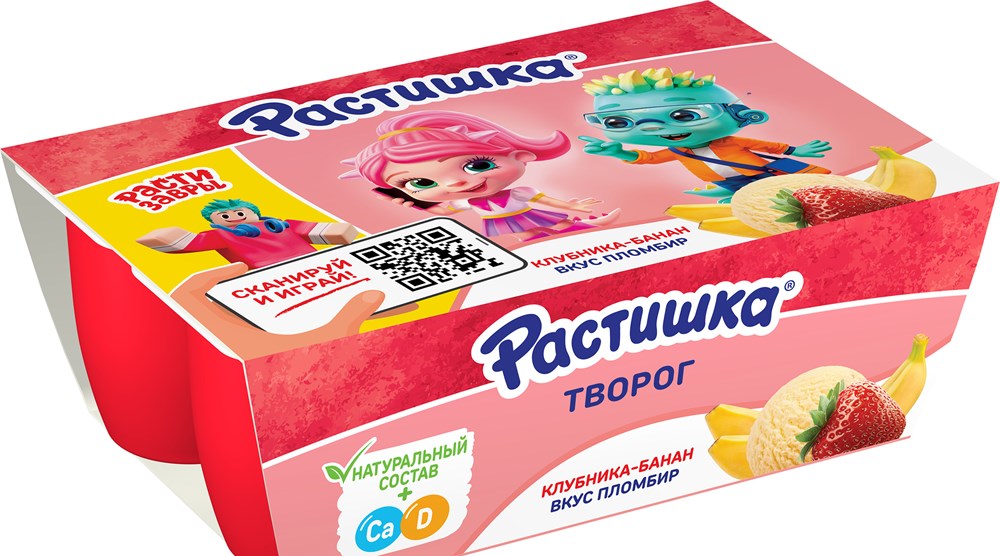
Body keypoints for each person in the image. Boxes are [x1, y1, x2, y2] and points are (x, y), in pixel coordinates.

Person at [340, 110, 620, 242]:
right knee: (529, 236)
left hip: (528, 213)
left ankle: (587, 227)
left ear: (520, 156)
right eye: (420, 183)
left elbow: (546, 201)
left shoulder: (518, 193)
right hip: (505, 224)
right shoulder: (468, 202)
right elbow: (444, 210)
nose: (455, 183)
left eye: (477, 165)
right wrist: (417, 205)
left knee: (559, 224)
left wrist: (573, 206)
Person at [580, 68, 832, 203]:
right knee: (743, 194)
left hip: (758, 172)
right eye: (617, 122)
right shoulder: (677, 150)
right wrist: (619, 153)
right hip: (726, 182)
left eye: (684, 115)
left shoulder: (728, 142)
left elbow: (766, 146)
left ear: (743, 115)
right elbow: (650, 158)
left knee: (781, 190)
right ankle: (739, 199)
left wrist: (796, 151)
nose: (652, 127)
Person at [137, 198, 357, 269]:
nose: (233, 217)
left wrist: (343, 232)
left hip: (317, 262)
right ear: (214, 221)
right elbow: (188, 243)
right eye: (224, 216)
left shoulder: (282, 224)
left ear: (254, 213)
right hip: (266, 273)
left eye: (239, 212)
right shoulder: (221, 235)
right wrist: (164, 236)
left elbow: (324, 231)